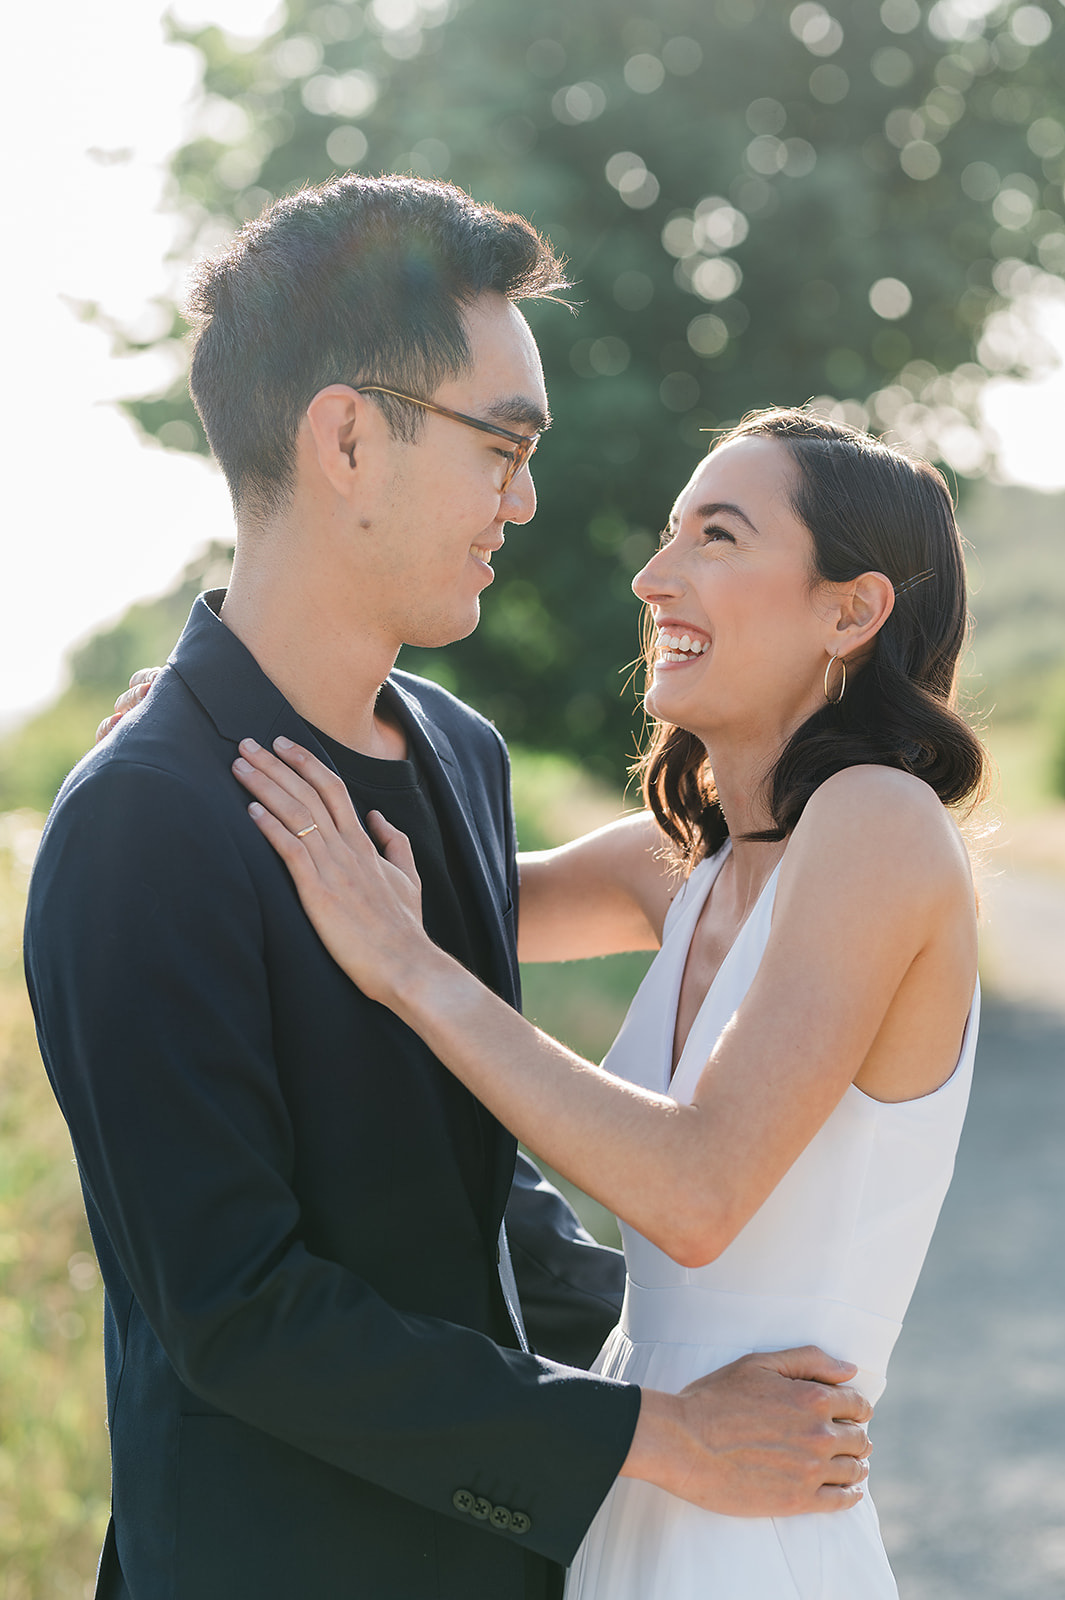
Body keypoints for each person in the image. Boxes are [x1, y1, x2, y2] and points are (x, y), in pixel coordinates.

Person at [26, 177, 871, 1600]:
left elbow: (471, 1186)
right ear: (348, 435)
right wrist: (651, 1435)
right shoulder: (140, 824)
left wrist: (693, 1360)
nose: (525, 499)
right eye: (502, 443)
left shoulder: (460, 756)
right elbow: (242, 1315)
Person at [214, 406, 988, 1599]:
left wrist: (415, 972)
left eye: (716, 537)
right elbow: (397, 887)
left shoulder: (883, 823)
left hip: (756, 1526)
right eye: (669, 533)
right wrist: (213, 715)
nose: (652, 576)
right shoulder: (696, 860)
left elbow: (696, 1191)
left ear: (851, 609)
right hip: (647, 1484)